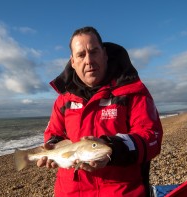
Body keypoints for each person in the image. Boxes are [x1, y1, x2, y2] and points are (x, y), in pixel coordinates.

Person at [37, 26, 163, 197]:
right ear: (72, 61)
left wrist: (113, 148)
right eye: (81, 55)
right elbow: (54, 133)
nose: (88, 60)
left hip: (122, 191)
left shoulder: (132, 91)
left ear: (104, 54)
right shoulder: (63, 100)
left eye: (94, 51)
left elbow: (152, 137)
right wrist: (51, 146)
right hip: (70, 192)